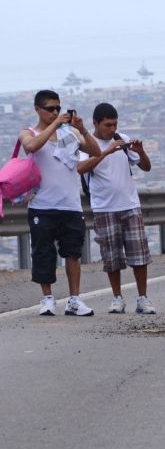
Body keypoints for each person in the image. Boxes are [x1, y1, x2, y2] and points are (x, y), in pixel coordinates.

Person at [18, 90, 101, 316]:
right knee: (43, 253)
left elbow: (95, 151)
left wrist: (82, 129)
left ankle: (74, 299)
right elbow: (31, 147)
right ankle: (47, 298)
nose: (55, 112)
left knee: (73, 253)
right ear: (38, 109)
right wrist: (54, 125)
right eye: (50, 109)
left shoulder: (70, 133)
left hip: (70, 204)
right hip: (41, 205)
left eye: (58, 108)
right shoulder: (29, 132)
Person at [77, 103, 156, 313]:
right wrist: (106, 152)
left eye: (115, 124)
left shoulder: (122, 139)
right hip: (104, 207)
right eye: (108, 125)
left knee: (139, 254)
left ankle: (142, 298)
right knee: (111, 256)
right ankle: (117, 297)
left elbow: (146, 167)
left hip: (130, 204)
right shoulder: (87, 144)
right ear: (95, 123)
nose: (112, 129)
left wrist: (141, 152)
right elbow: (80, 168)